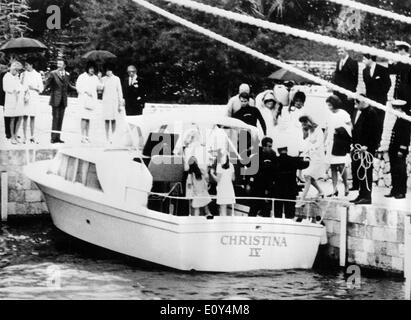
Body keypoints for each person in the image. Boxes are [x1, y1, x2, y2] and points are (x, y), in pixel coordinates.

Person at [350, 97, 380, 205]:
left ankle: (367, 196)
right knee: (360, 172)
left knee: (366, 172)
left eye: (356, 103)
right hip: (359, 149)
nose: (355, 105)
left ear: (362, 102)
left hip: (366, 150)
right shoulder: (362, 113)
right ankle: (361, 194)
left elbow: (375, 132)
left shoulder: (372, 114)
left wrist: (367, 146)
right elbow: (358, 130)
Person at [325, 95, 352, 197]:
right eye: (328, 105)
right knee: (332, 167)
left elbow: (350, 126)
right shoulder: (328, 114)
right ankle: (334, 189)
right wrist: (324, 142)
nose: (329, 107)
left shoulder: (343, 113)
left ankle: (346, 186)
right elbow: (327, 129)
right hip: (331, 143)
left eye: (330, 105)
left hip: (340, 142)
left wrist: (340, 129)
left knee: (341, 165)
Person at [44, 59, 76, 144]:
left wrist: (78, 89)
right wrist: (42, 89)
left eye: (60, 64)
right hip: (55, 99)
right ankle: (53, 138)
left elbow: (68, 86)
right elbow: (47, 83)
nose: (58, 65)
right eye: (58, 64)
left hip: (63, 100)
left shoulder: (67, 74)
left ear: (64, 65)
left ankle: (58, 137)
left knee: (61, 119)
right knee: (55, 118)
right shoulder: (53, 73)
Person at [273, 145, 309, 219]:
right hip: (290, 190)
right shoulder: (293, 160)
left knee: (277, 213)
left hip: (278, 190)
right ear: (287, 150)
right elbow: (305, 164)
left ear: (278, 151)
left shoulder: (275, 160)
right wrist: (307, 158)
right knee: (290, 214)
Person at [297, 115, 326, 207]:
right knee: (310, 178)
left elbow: (319, 143)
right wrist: (304, 153)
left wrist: (311, 149)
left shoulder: (318, 130)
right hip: (311, 156)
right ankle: (321, 191)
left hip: (318, 157)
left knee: (307, 176)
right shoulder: (309, 130)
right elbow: (307, 141)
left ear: (308, 121)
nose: (303, 125)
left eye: (304, 123)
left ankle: (302, 199)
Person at [385, 100, 411, 200]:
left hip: (400, 150)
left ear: (399, 109)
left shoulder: (405, 119)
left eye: (395, 108)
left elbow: (405, 137)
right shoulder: (399, 119)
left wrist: (401, 150)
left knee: (400, 171)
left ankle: (401, 191)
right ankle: (395, 190)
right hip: (394, 149)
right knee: (394, 170)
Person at [362, 54, 391, 140]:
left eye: (364, 59)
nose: (363, 61)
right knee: (368, 122)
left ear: (370, 59)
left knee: (378, 122)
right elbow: (367, 86)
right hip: (369, 101)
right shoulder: (364, 71)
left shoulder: (382, 69)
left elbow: (388, 85)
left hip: (380, 101)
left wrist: (379, 97)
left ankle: (377, 142)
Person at [248, 137, 276, 217]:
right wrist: (249, 183)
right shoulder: (256, 153)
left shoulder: (273, 154)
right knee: (254, 207)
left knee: (266, 208)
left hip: (268, 185)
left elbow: (274, 170)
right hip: (257, 184)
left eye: (271, 146)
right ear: (264, 146)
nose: (270, 148)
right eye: (269, 146)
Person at [21, 58, 44, 144]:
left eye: (27, 65)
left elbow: (41, 88)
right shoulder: (23, 74)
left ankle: (32, 136)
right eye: (25, 65)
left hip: (34, 97)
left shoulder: (37, 75)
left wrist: (34, 88)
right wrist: (25, 89)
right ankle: (24, 136)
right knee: (25, 117)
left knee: (33, 117)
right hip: (26, 97)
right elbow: (20, 85)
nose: (26, 66)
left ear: (31, 65)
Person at [76, 62, 100, 143]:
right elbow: (78, 87)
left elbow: (99, 89)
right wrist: (86, 91)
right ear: (87, 68)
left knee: (89, 118)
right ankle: (82, 136)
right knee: (84, 118)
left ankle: (87, 136)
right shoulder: (82, 76)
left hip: (91, 101)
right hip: (83, 100)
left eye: (93, 69)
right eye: (90, 68)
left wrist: (100, 79)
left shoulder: (95, 78)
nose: (92, 70)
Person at [332, 47, 359, 117]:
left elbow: (354, 80)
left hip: (348, 95)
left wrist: (351, 93)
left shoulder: (353, 62)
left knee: (348, 114)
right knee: (339, 115)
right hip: (339, 94)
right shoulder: (338, 62)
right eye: (338, 52)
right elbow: (337, 77)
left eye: (342, 51)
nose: (340, 53)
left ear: (346, 51)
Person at [3, 61, 25, 145]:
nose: (17, 72)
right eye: (16, 70)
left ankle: (16, 134)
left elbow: (20, 86)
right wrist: (14, 90)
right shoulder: (6, 76)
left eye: (18, 71)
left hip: (18, 99)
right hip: (11, 99)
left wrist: (21, 88)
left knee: (19, 116)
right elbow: (5, 88)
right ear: (12, 69)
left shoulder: (17, 77)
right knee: (12, 117)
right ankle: (12, 136)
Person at [101, 63, 124, 143]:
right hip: (106, 101)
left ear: (112, 70)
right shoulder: (103, 79)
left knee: (114, 120)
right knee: (107, 119)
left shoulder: (116, 79)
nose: (108, 72)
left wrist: (120, 103)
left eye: (109, 70)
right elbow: (100, 90)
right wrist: (100, 80)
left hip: (114, 101)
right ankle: (107, 137)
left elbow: (119, 91)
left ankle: (113, 137)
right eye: (106, 70)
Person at [209, 152, 235, 216]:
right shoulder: (231, 165)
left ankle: (223, 224)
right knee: (227, 208)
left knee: (222, 208)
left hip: (222, 189)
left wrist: (212, 174)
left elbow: (218, 179)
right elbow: (233, 178)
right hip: (229, 188)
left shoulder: (219, 166)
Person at [387, 41, 411, 110]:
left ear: (403, 50)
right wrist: (391, 62)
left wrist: (396, 62)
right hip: (399, 91)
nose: (398, 52)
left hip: (408, 92)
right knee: (398, 112)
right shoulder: (401, 60)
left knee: (406, 112)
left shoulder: (408, 59)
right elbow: (392, 71)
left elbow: (405, 69)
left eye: (398, 50)